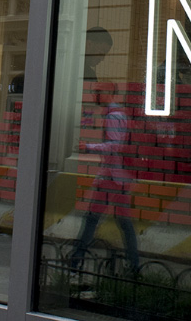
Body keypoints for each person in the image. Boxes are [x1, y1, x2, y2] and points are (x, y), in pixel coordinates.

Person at [70, 81, 140, 275]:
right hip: (122, 178)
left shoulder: (113, 117)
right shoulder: (121, 115)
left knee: (92, 219)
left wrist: (88, 147)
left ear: (109, 93)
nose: (95, 96)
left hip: (111, 178)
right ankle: (134, 266)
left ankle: (75, 262)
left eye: (98, 92)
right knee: (124, 222)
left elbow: (114, 146)